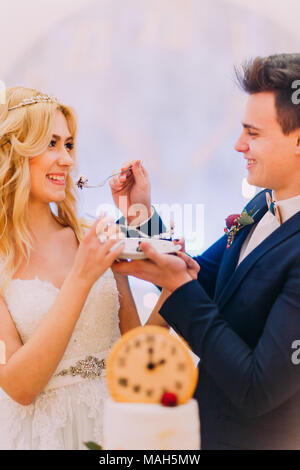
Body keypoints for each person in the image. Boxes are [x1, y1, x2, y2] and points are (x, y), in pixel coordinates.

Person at [113, 53, 300, 450]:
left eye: (253, 133)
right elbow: (200, 273)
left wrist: (178, 286)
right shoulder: (260, 206)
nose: (238, 145)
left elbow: (257, 388)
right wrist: (140, 214)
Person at [0, 86, 168, 450]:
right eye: (51, 144)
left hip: (115, 429)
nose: (67, 160)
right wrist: (81, 277)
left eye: (69, 145)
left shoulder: (89, 235)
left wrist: (141, 217)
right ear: (14, 153)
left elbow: (135, 356)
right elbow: (20, 387)